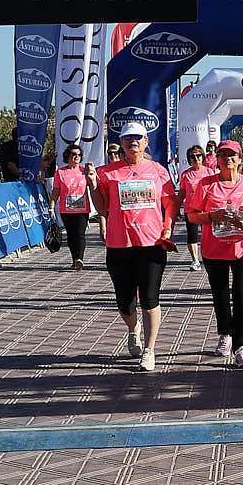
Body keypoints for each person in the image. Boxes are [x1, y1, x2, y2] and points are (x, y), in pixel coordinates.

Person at [91, 123, 179, 372]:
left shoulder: (158, 171)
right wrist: (92, 185)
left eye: (138, 137)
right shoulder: (107, 173)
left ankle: (149, 350)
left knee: (150, 298)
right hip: (120, 244)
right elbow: (101, 207)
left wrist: (168, 228)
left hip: (151, 243)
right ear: (121, 143)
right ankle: (133, 328)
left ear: (146, 141)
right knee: (124, 301)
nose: (133, 142)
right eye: (128, 138)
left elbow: (170, 203)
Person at [186, 140, 243, 368]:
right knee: (220, 295)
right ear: (217, 159)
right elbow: (191, 215)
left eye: (232, 155)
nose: (228, 159)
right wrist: (211, 216)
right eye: (223, 155)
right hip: (215, 249)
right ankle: (225, 334)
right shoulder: (206, 184)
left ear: (240, 159)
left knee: (242, 295)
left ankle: (241, 347)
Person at [50, 146, 97, 269]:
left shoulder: (84, 171)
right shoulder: (60, 172)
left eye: (79, 154)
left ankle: (80, 258)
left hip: (82, 209)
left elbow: (94, 186)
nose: (76, 157)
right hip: (66, 210)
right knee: (71, 235)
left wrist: (92, 174)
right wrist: (51, 207)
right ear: (67, 155)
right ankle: (74, 259)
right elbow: (56, 191)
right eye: (73, 154)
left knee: (80, 234)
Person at [177, 144, 215, 269]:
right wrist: (177, 209)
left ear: (203, 156)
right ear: (189, 159)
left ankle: (209, 257)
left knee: (208, 235)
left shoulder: (209, 172)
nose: (196, 158)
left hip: (206, 210)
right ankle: (195, 261)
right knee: (192, 235)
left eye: (198, 155)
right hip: (191, 210)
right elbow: (182, 193)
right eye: (192, 156)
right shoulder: (185, 174)